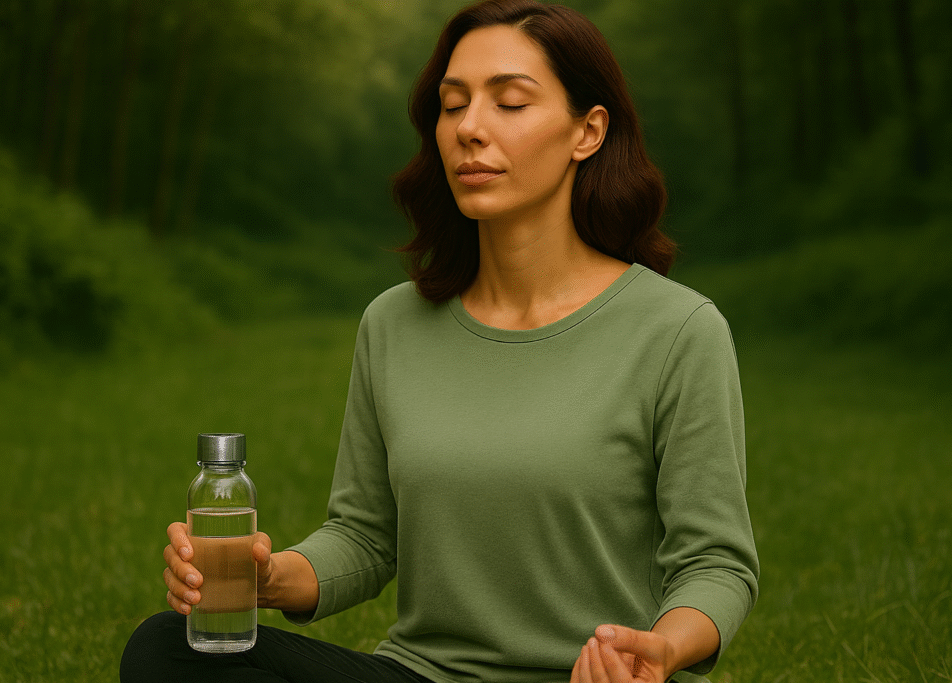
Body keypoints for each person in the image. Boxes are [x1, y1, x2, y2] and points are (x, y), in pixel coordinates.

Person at [119, 1, 758, 682]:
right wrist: (268, 576)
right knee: (166, 646)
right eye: (453, 106)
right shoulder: (394, 324)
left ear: (588, 131)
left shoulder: (678, 330)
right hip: (421, 674)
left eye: (509, 102)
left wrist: (659, 648)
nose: (470, 129)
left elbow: (715, 564)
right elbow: (364, 534)